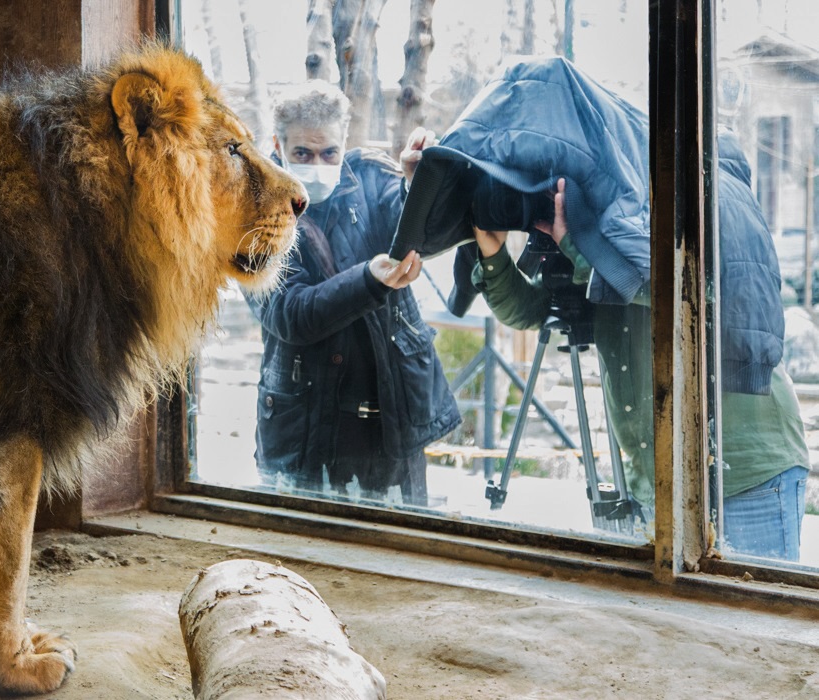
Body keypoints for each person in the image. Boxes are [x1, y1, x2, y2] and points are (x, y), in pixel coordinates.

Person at [462, 131, 810, 560]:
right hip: (655, 480)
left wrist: (579, 240)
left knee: (750, 620)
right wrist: (491, 248)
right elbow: (533, 311)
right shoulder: (597, 234)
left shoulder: (674, 206)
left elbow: (685, 290)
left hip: (745, 473)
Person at [245, 80, 461, 506]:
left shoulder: (369, 177)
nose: (318, 164)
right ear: (277, 145)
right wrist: (368, 279)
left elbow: (420, 234)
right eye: (302, 154)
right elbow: (290, 312)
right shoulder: (254, 212)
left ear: (345, 143)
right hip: (305, 430)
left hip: (390, 424)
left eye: (329, 153)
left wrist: (418, 185)